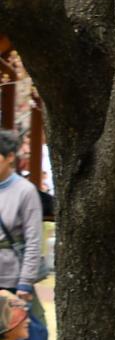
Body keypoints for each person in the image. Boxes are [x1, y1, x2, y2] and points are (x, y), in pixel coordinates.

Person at [0, 130, 44, 329]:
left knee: (10, 337)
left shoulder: (25, 191)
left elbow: (34, 240)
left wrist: (25, 281)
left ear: (10, 158)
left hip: (11, 278)